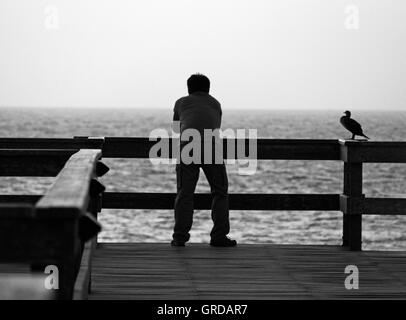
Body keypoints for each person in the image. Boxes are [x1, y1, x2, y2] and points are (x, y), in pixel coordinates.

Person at [171, 73, 237, 247]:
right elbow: (216, 125)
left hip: (188, 146)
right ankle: (219, 236)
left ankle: (179, 237)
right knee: (220, 192)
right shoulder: (216, 103)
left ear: (188, 88)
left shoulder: (181, 102)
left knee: (185, 193)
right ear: (208, 88)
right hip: (211, 146)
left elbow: (176, 129)